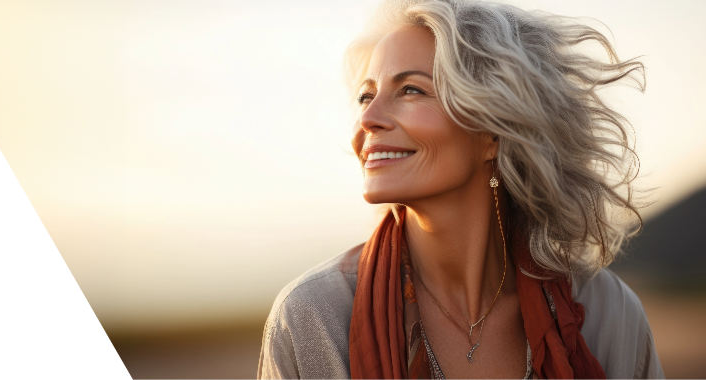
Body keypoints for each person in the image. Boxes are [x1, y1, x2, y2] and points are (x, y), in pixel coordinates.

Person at [258, 0, 664, 379]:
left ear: (493, 132)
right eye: (366, 96)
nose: (368, 118)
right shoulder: (312, 318)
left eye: (410, 90)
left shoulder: (608, 314)